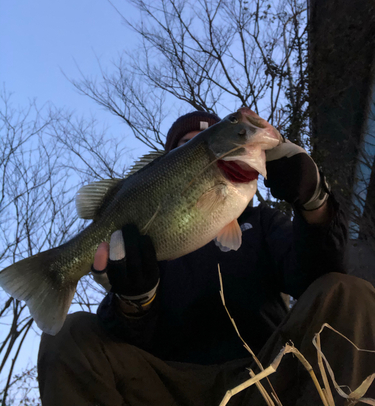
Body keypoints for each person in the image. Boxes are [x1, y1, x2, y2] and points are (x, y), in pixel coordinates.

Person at [38, 110, 375, 406]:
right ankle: (56, 271)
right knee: (67, 336)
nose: (195, 148)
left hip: (268, 374)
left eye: (204, 138)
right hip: (166, 387)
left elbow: (319, 278)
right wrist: (133, 302)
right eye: (185, 145)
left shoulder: (263, 224)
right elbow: (122, 336)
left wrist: (315, 202)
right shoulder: (143, 242)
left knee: (351, 293)